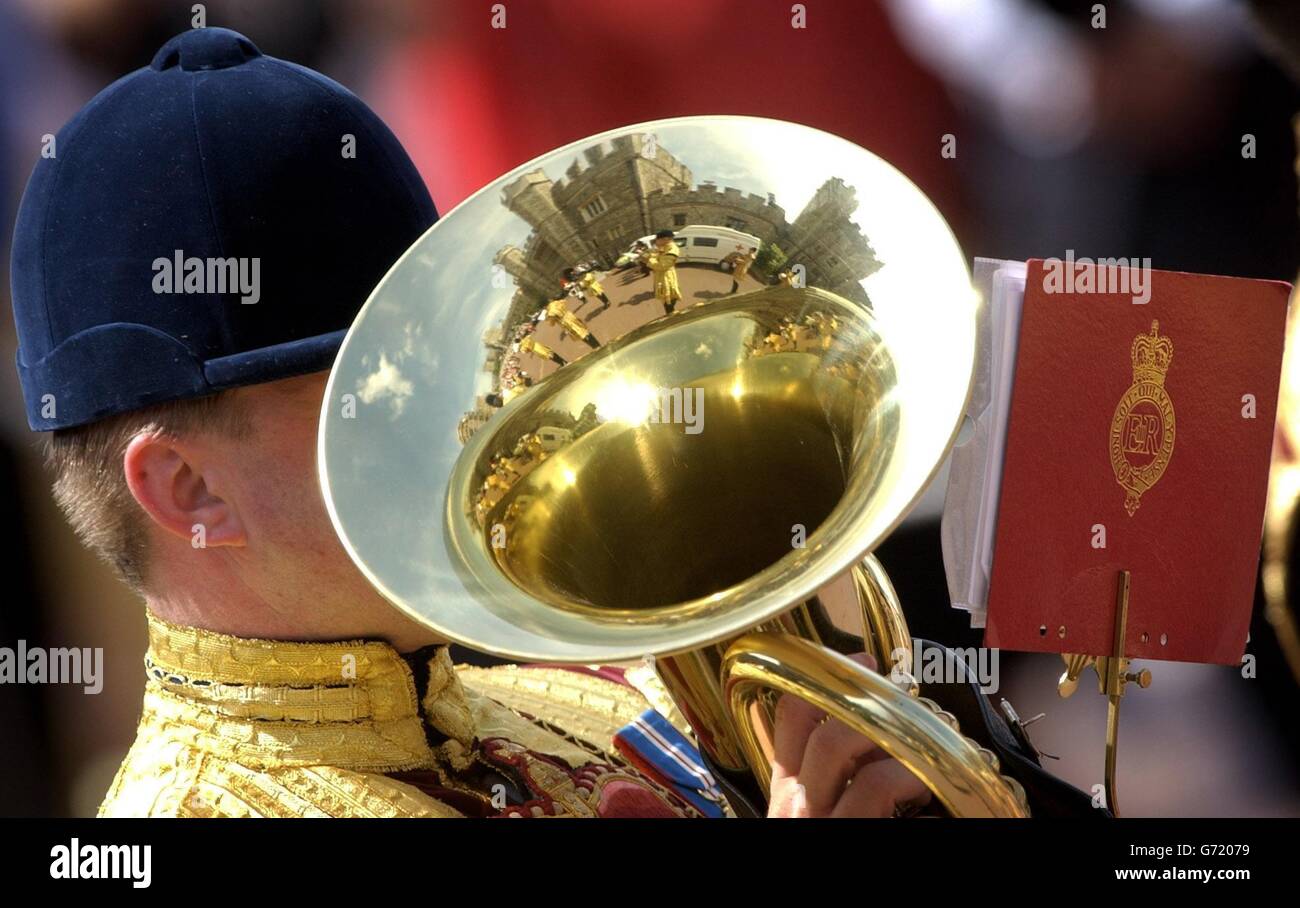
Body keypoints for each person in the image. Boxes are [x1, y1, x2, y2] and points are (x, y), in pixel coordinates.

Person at [11, 28, 931, 819]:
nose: (461, 422)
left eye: (431, 360)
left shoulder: (605, 698)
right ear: (188, 489)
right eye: (364, 392)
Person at [646, 229, 683, 314]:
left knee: (668, 304)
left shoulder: (672, 250)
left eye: (657, 240)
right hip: (663, 278)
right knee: (667, 304)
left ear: (665, 239)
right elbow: (659, 255)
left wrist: (650, 258)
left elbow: (661, 266)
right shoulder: (666, 247)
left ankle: (673, 320)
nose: (656, 242)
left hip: (667, 280)